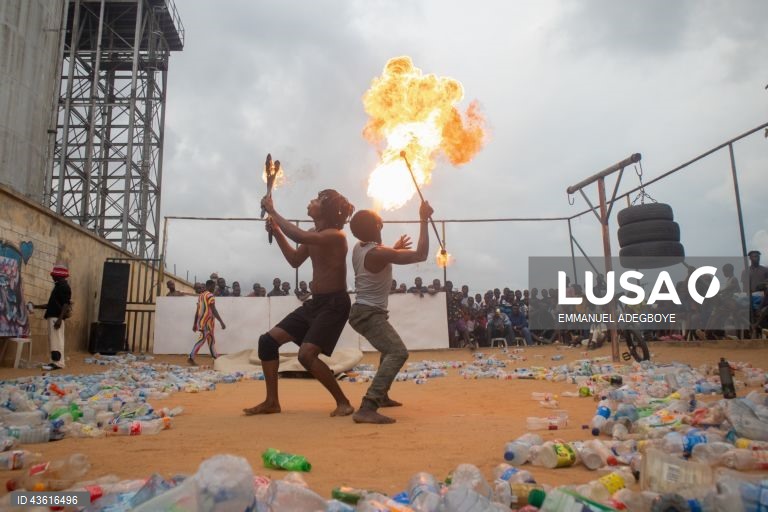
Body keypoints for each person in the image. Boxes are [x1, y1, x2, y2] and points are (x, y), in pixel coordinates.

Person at [244, 189, 355, 417]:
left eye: (316, 200)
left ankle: (343, 402)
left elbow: (301, 237)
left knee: (306, 355)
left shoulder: (335, 236)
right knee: (267, 342)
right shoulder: (315, 232)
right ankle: (272, 402)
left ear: (325, 209)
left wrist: (273, 211)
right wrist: (276, 232)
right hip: (316, 304)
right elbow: (295, 260)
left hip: (335, 304)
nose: (310, 201)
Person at [347, 200, 433, 424]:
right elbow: (421, 255)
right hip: (368, 314)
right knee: (398, 352)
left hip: (365, 312)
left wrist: (394, 248)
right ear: (377, 227)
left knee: (388, 350)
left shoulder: (359, 247)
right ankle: (368, 406)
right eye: (379, 220)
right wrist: (423, 219)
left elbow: (381, 257)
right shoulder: (377, 253)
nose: (382, 220)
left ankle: (382, 396)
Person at [32, 265, 72, 371]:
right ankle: (54, 361)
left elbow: (65, 304)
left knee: (56, 340)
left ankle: (58, 363)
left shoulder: (63, 287)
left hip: (56, 318)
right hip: (54, 317)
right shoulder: (59, 286)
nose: (52, 277)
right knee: (53, 341)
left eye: (54, 275)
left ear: (58, 276)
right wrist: (36, 306)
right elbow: (51, 304)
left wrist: (59, 319)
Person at [188, 280, 226, 366]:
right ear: (210, 286)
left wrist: (195, 324)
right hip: (207, 323)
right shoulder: (210, 295)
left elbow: (197, 311)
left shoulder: (201, 296)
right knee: (202, 340)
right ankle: (191, 357)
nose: (215, 288)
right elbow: (214, 310)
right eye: (214, 286)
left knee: (211, 340)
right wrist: (221, 322)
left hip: (204, 323)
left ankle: (215, 358)